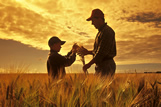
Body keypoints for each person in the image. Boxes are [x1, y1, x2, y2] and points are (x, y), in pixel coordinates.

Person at [80, 9, 117, 77]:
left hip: (106, 65)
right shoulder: (101, 32)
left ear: (99, 19)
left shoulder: (106, 31)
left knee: (103, 87)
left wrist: (88, 65)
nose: (92, 23)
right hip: (103, 65)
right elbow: (100, 50)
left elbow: (101, 53)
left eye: (93, 20)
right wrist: (88, 52)